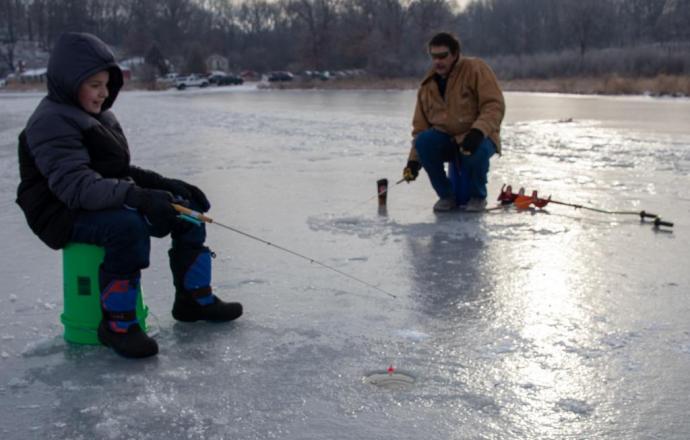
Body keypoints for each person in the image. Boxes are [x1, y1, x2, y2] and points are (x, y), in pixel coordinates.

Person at [16, 32, 242, 359]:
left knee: (186, 210)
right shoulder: (49, 122)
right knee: (126, 226)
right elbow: (76, 186)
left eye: (106, 85)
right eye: (94, 85)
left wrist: (167, 185)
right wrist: (138, 198)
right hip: (59, 210)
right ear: (70, 81)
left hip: (93, 196)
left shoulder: (98, 116)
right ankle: (118, 325)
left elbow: (117, 170)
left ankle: (193, 299)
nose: (103, 93)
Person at [402, 32, 505, 212]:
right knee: (424, 142)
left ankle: (477, 196)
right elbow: (420, 128)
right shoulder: (427, 86)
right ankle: (446, 196)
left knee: (477, 151)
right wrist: (413, 162)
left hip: (479, 137)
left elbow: (494, 106)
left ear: (455, 53)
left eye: (443, 56)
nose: (438, 61)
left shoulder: (475, 69)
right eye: (434, 57)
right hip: (446, 140)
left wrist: (478, 131)